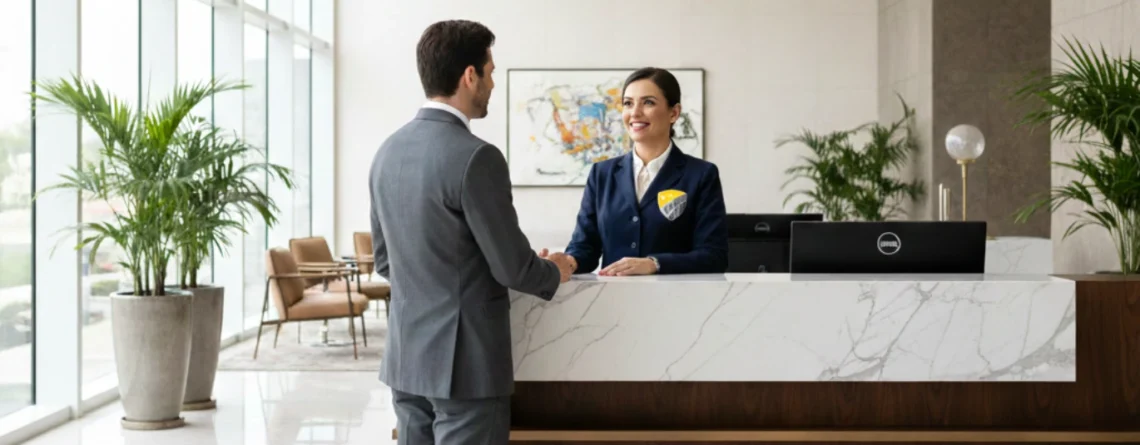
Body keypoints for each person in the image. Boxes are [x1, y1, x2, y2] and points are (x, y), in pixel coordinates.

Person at [368, 20, 576, 445]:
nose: (493, 83)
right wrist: (554, 269)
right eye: (491, 71)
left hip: (407, 362)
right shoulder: (476, 157)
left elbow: (386, 261)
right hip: (466, 368)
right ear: (469, 76)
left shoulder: (386, 152)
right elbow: (513, 269)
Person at [556, 67, 728, 276]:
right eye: (628, 103)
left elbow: (714, 256)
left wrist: (655, 263)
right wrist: (568, 262)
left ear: (673, 113)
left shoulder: (701, 175)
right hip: (612, 301)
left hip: (678, 300)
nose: (635, 113)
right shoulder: (602, 174)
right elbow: (585, 247)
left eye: (648, 102)